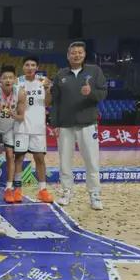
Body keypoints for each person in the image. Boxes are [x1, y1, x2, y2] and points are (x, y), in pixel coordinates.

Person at [50, 41, 107, 210]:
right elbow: (56, 101)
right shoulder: (61, 74)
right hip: (65, 125)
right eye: (73, 52)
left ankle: (95, 195)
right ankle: (66, 192)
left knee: (92, 161)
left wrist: (91, 93)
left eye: (80, 52)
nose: (76, 55)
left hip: (87, 124)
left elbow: (103, 93)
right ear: (68, 56)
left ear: (84, 54)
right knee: (65, 162)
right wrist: (55, 123)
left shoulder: (94, 71)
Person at [12, 56, 54, 203]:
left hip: (38, 127)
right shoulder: (17, 82)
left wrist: (48, 89)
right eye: (27, 65)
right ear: (23, 67)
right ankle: (17, 190)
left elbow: (47, 103)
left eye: (33, 65)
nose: (30, 67)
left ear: (37, 67)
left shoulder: (43, 81)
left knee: (40, 158)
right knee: (19, 158)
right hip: (21, 126)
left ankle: (42, 190)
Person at [0, 65, 26, 203]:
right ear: (0, 79)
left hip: (10, 127)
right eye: (5, 78)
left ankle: (9, 188)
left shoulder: (20, 93)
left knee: (10, 155)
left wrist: (12, 114)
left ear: (15, 79)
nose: (8, 80)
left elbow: (21, 117)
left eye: (11, 77)